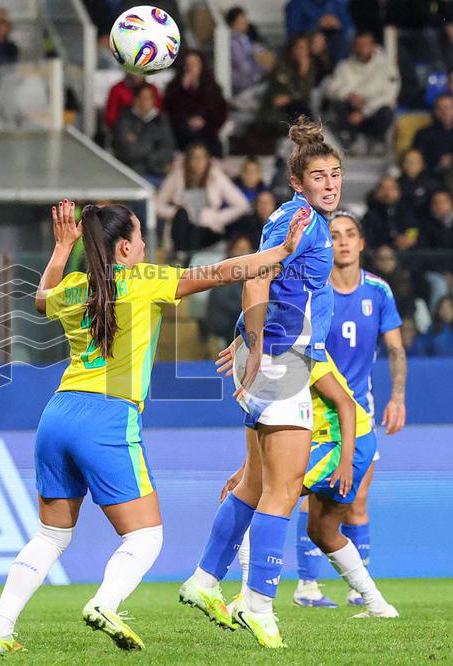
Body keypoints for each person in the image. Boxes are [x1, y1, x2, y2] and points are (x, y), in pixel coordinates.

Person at [0, 198, 311, 653]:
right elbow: (223, 272)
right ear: (123, 248)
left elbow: (39, 301)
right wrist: (282, 250)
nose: (144, 248)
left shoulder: (73, 287)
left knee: (51, 535)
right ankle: (105, 603)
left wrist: (62, 248)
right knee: (146, 536)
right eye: (139, 239)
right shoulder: (144, 281)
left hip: (57, 415)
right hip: (107, 417)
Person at [179, 118, 342, 649]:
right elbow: (256, 276)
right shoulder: (302, 220)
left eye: (335, 174)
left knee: (253, 483)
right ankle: (258, 604)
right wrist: (254, 344)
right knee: (284, 488)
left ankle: (205, 580)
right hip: (281, 360)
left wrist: (249, 340)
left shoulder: (296, 217)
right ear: (298, 182)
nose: (330, 184)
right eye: (319, 176)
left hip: (276, 354)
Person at [291, 211, 407, 609]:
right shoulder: (314, 290)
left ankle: (359, 589)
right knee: (308, 495)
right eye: (335, 234)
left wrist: (397, 397)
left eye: (350, 234)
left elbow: (395, 349)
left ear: (361, 243)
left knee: (355, 501)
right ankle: (307, 585)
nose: (342, 241)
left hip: (359, 413)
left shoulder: (378, 291)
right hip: (315, 410)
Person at [226, 354, 398, 619]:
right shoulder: (266, 360)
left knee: (261, 498)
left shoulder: (303, 352)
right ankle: (379, 606)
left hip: (342, 444)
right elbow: (266, 429)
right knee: (322, 531)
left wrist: (346, 461)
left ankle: (248, 600)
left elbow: (345, 403)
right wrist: (246, 472)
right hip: (327, 443)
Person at [156, 143, 252, 266]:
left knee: (197, 229)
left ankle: (186, 261)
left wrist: (218, 217)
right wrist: (174, 212)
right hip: (182, 230)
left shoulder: (216, 176)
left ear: (208, 159)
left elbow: (242, 205)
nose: (198, 162)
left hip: (207, 230)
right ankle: (182, 256)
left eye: (202, 157)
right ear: (188, 159)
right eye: (194, 157)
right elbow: (157, 205)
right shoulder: (178, 176)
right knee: (182, 214)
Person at [326, 31, 400, 153]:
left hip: (374, 109)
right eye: (359, 45)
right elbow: (331, 89)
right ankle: (351, 141)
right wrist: (349, 95)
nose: (362, 49)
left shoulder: (386, 66)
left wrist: (364, 111)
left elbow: (389, 95)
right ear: (353, 47)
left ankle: (377, 141)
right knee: (339, 106)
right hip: (352, 108)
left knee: (386, 112)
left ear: (373, 46)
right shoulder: (344, 66)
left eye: (366, 45)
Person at [162, 50, 229, 156]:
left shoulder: (212, 88)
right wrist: (183, 90)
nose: (190, 68)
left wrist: (204, 122)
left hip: (207, 133)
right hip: (181, 135)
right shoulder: (173, 88)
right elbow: (170, 112)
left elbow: (220, 113)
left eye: (194, 64)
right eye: (188, 64)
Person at [202, 234, 258, 353]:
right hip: (224, 326)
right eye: (240, 249)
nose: (244, 254)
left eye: (247, 250)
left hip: (237, 324)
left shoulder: (250, 273)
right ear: (231, 250)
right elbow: (229, 305)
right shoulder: (225, 272)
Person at [255, 35, 317, 142]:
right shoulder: (282, 65)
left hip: (295, 107)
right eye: (298, 47)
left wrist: (304, 73)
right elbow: (281, 90)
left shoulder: (308, 68)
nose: (301, 52)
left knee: (303, 112)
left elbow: (304, 95)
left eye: (304, 48)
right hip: (276, 109)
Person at [112, 83, 175, 183]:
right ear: (135, 99)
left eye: (149, 98)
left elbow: (168, 150)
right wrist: (153, 145)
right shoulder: (124, 119)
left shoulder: (161, 120)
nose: (146, 102)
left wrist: (139, 142)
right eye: (143, 98)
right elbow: (128, 151)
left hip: (156, 174)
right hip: (130, 174)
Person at [285, 0, 355, 62]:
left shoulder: (336, 3)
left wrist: (338, 23)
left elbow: (349, 25)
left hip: (332, 40)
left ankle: (339, 65)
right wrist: (316, 26)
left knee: (349, 34)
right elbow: (292, 32)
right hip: (307, 39)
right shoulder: (296, 3)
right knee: (315, 39)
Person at [413, 93, 453, 173]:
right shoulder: (423, 134)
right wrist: (438, 161)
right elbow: (416, 159)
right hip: (431, 174)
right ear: (435, 111)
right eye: (440, 109)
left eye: (448, 108)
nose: (445, 112)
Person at [361, 176, 415, 251]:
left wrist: (410, 237)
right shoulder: (370, 216)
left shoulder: (407, 210)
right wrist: (384, 246)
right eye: (383, 188)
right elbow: (368, 239)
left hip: (410, 252)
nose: (388, 192)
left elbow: (413, 227)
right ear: (377, 193)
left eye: (392, 188)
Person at [227, 6, 272, 95]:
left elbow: (260, 53)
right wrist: (259, 73)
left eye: (245, 18)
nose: (245, 22)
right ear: (233, 23)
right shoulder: (232, 41)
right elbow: (243, 67)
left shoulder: (246, 37)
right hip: (242, 83)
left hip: (255, 79)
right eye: (241, 20)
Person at [398, 148, 438, 223]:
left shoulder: (432, 184)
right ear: (402, 164)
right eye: (407, 161)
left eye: (415, 161)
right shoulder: (395, 184)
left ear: (422, 165)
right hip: (403, 222)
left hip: (427, 222)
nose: (411, 165)